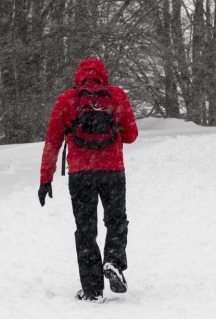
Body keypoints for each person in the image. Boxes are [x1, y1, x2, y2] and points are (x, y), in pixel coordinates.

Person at [38, 57, 139, 303]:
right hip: (112, 170)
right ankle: (113, 261)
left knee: (86, 229)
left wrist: (45, 179)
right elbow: (132, 135)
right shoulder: (116, 96)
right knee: (116, 220)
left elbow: (53, 141)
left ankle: (92, 290)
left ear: (78, 76)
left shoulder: (66, 99)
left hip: (81, 174)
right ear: (104, 75)